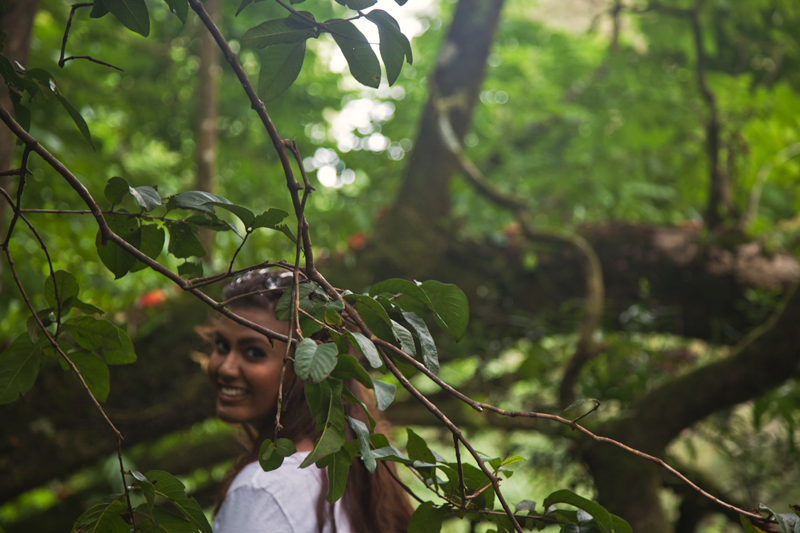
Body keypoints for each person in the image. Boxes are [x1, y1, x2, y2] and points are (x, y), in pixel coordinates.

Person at [203, 269, 414, 533]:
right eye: (222, 346)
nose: (226, 368)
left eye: (253, 352)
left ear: (310, 367)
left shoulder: (264, 489)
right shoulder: (347, 467)